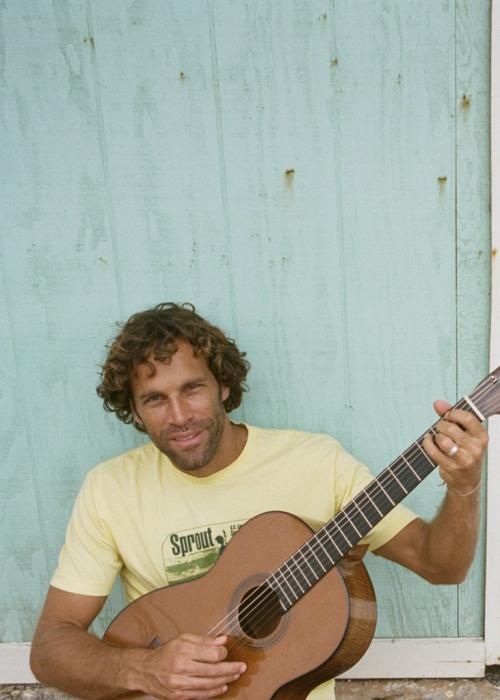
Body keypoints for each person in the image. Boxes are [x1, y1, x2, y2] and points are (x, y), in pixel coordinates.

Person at [30, 302, 489, 700]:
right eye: (154, 399)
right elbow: (50, 647)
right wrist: (143, 669)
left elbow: (442, 567)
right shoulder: (110, 489)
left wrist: (463, 486)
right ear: (133, 410)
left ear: (223, 386)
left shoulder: (315, 463)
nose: (179, 417)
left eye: (192, 389)